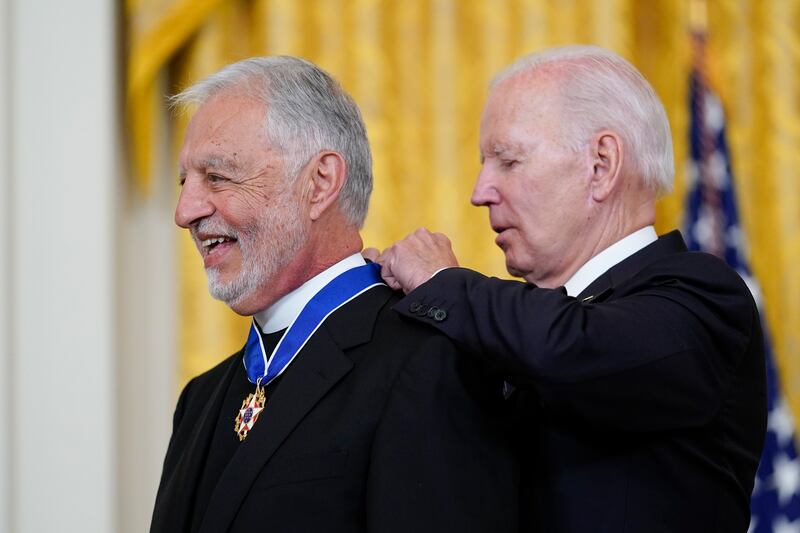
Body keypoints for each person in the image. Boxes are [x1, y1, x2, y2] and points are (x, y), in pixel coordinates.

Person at [371, 45, 767, 532]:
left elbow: (573, 348)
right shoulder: (505, 328)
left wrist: (439, 283)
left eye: (508, 161)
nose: (480, 192)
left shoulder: (703, 296)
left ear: (601, 164)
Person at [150, 56, 519, 533]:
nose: (186, 211)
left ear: (320, 182)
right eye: (185, 181)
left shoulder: (431, 362)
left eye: (217, 176)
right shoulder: (199, 400)